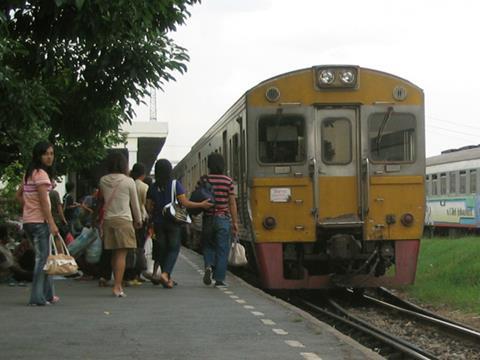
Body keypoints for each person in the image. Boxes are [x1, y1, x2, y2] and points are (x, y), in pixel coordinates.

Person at [146, 159, 212, 288]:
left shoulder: (152, 187)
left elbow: (148, 207)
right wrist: (202, 204)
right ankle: (165, 274)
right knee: (174, 249)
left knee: (163, 249)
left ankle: (167, 278)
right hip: (173, 222)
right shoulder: (175, 184)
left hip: (158, 223)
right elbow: (185, 203)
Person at [15, 141, 60, 306]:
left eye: (51, 153)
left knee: (44, 258)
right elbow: (44, 202)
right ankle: (37, 297)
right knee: (42, 260)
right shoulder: (41, 174)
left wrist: (28, 207)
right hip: (39, 222)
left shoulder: (30, 173)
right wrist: (52, 223)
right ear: (38, 155)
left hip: (28, 221)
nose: (49, 157)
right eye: (46, 154)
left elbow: (18, 195)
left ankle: (48, 295)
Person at [98, 152, 142, 297]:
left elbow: (102, 201)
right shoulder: (129, 181)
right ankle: (117, 286)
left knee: (112, 254)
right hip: (124, 220)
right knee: (121, 255)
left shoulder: (103, 181)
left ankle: (113, 279)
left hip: (109, 221)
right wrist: (138, 220)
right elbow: (134, 204)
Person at [200, 153, 239, 288]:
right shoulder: (228, 181)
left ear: (209, 165)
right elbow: (232, 203)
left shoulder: (204, 180)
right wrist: (235, 222)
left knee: (208, 245)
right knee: (222, 249)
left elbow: (198, 197)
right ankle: (219, 279)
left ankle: (208, 266)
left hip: (208, 218)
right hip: (223, 218)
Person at [125, 163, 149, 285]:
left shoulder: (127, 184)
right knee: (139, 248)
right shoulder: (144, 187)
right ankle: (136, 274)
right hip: (140, 220)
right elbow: (146, 205)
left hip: (128, 219)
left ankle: (127, 274)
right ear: (143, 174)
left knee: (128, 248)